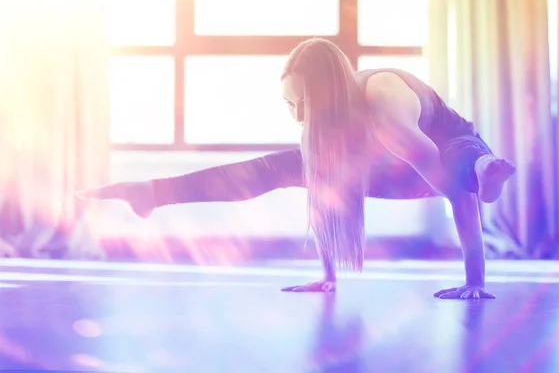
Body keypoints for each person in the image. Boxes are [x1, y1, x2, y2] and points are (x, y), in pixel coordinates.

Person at [78, 38, 515, 299]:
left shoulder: (383, 99)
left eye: (301, 103)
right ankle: (152, 192)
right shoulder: (322, 128)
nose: (295, 114)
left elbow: (452, 194)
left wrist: (474, 280)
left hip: (446, 153)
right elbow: (325, 196)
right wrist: (327, 276)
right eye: (288, 104)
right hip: (394, 171)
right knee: (277, 168)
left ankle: (485, 171)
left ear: (326, 92)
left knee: (459, 167)